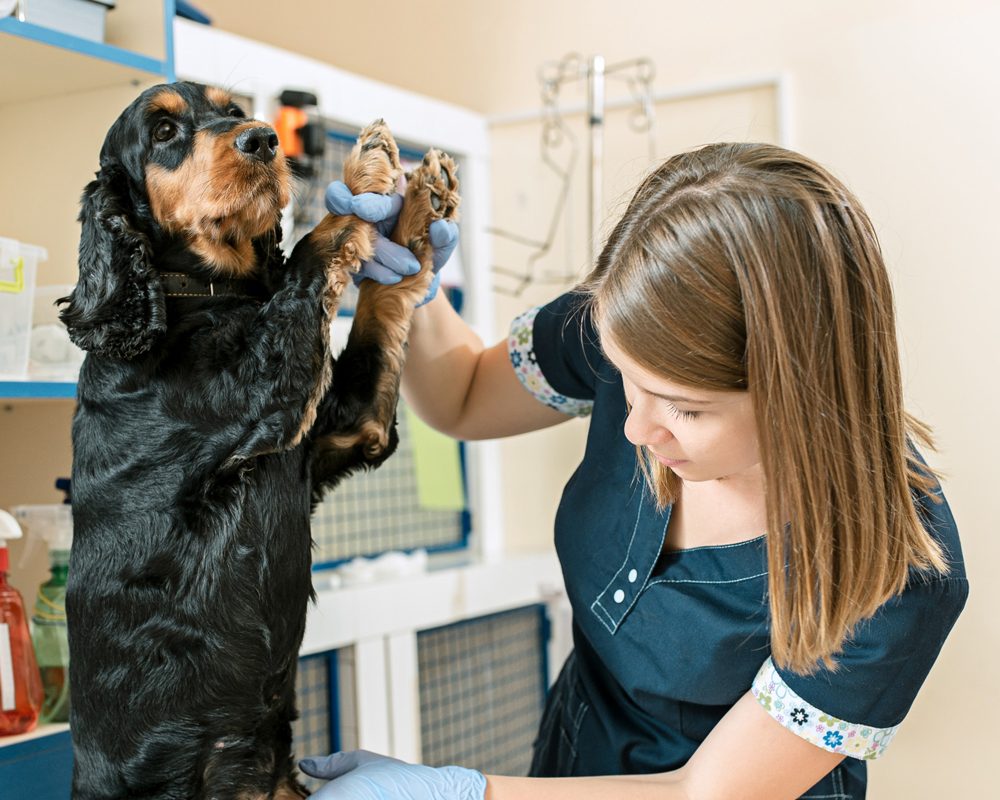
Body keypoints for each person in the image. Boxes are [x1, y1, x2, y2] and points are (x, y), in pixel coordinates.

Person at [307, 143, 968, 799]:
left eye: (685, 408)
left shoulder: (897, 569)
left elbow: (703, 793)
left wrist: (462, 794)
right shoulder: (629, 323)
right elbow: (466, 397)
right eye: (626, 380)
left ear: (800, 389)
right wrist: (413, 287)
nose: (634, 430)